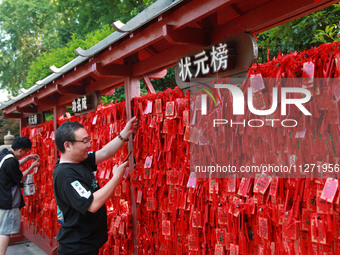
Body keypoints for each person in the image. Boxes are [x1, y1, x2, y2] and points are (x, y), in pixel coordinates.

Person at [53, 117, 137, 255]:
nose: (89, 145)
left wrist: (125, 133)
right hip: (77, 248)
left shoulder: (80, 160)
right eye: (84, 141)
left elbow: (104, 153)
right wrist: (116, 177)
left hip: (87, 244)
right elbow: (92, 203)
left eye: (88, 140)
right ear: (67, 145)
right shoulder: (65, 175)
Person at [0, 137, 40, 255]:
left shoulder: (4, 155)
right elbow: (19, 176)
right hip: (9, 200)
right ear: (21, 150)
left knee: (3, 229)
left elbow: (13, 166)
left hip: (2, 197)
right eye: (26, 152)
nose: (26, 154)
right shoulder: (11, 161)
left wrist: (27, 158)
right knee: (5, 232)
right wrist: (32, 166)